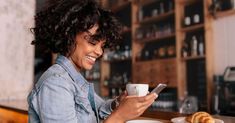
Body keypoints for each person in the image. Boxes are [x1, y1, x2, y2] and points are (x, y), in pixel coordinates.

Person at [27, 0, 157, 123]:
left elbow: (99, 110)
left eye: (102, 46)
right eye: (93, 42)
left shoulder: (75, 79)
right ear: (69, 36)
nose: (99, 52)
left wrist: (117, 103)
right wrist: (119, 116)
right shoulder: (55, 84)